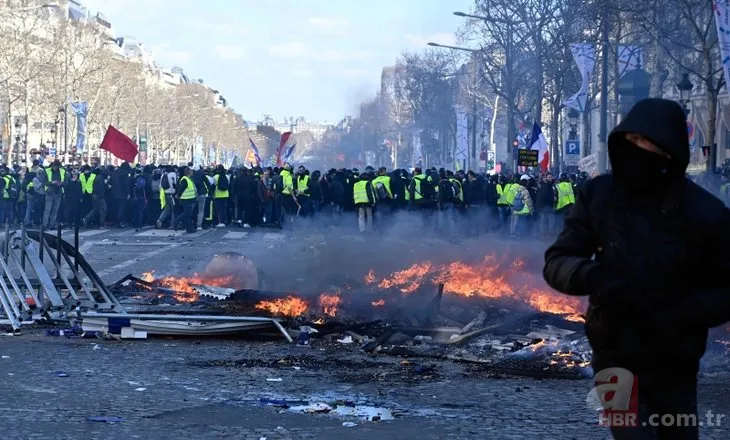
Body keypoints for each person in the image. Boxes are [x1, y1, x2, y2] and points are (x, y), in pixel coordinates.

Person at [543, 99, 730, 440]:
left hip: (675, 360)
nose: (639, 151)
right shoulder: (598, 197)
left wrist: (684, 311)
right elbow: (558, 261)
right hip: (614, 355)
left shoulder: (706, 212)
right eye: (632, 141)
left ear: (670, 151)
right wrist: (593, 276)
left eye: (650, 144)